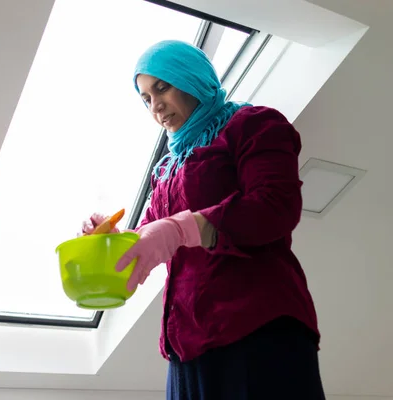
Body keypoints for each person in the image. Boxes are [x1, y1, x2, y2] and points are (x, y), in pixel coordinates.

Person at [81, 40, 325, 399]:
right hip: (186, 346)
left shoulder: (253, 125)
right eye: (146, 98)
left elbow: (275, 207)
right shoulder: (166, 169)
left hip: (258, 327)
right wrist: (113, 238)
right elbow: (151, 237)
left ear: (191, 77)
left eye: (162, 87)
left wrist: (183, 227)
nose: (155, 106)